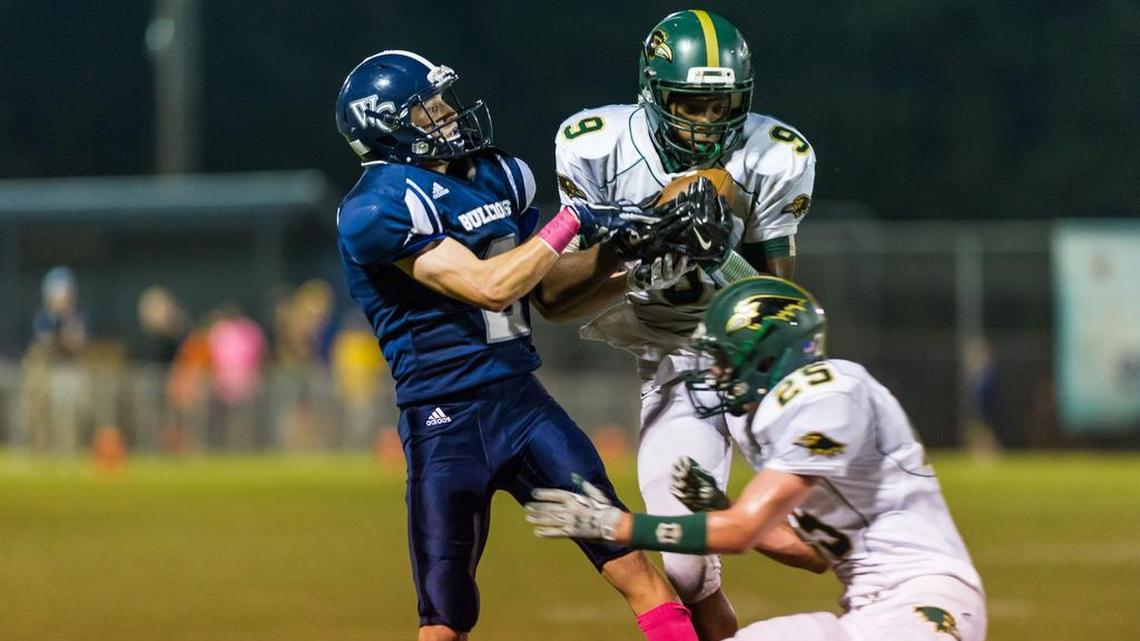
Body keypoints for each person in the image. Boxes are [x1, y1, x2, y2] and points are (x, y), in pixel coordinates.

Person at [333, 50, 699, 641]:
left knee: (631, 562)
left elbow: (549, 295)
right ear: (387, 125)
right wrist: (577, 217)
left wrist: (633, 260)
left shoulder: (496, 173)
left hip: (524, 407)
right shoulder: (377, 206)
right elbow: (490, 284)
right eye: (428, 108)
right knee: (445, 621)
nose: (447, 115)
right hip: (444, 422)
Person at [533, 9, 817, 639]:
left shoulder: (776, 155)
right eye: (691, 104)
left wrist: (725, 230)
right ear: (654, 92)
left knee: (835, 528)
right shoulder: (595, 144)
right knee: (686, 575)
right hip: (672, 359)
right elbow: (552, 300)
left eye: (722, 107)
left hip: (750, 357)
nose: (708, 123)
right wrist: (631, 246)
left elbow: (781, 304)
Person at [526, 276, 988, 641]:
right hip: (875, 611)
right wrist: (723, 508)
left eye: (725, 360)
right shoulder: (783, 412)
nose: (716, 375)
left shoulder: (830, 395)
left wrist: (617, 526)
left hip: (925, 607)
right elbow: (811, 555)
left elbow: (744, 533)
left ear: (767, 360)